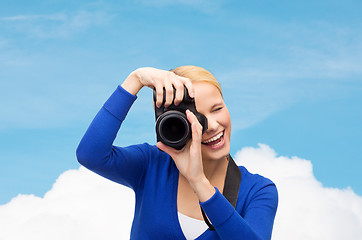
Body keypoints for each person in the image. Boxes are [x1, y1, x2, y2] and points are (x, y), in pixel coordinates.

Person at [76, 66, 278, 240]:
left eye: (217, 109)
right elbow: (90, 154)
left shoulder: (258, 191)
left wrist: (199, 182)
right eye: (197, 118)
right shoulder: (152, 164)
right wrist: (136, 79)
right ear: (175, 125)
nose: (212, 125)